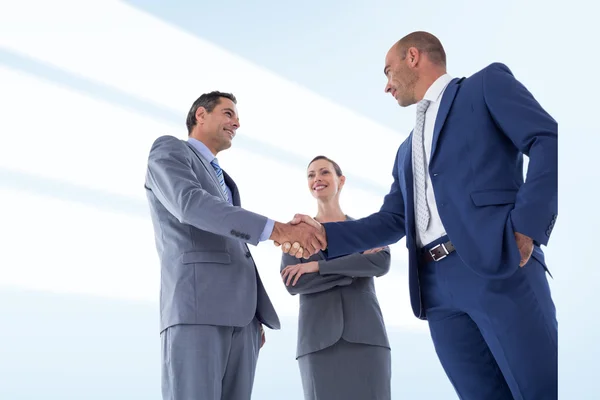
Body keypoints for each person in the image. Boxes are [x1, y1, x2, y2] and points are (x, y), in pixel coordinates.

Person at [281, 32, 558, 400]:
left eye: (388, 71)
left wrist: (527, 226)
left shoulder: (484, 87)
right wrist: (325, 236)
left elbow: (547, 139)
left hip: (498, 264)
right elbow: (392, 220)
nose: (386, 86)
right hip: (437, 290)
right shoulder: (405, 149)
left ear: (413, 57)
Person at [144, 91, 325, 400]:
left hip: (242, 321)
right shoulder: (170, 150)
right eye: (228, 113)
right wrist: (276, 230)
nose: (236, 122)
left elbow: (231, 242)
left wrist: (251, 315)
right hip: (197, 310)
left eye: (236, 117)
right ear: (200, 115)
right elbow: (191, 204)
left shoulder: (225, 180)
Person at [280, 155, 392, 400]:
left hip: (367, 338)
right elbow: (294, 282)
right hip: (317, 341)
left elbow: (380, 262)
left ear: (341, 181)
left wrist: (317, 267)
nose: (317, 178)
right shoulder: (295, 233)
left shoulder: (366, 229)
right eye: (311, 175)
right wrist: (354, 267)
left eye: (324, 172)